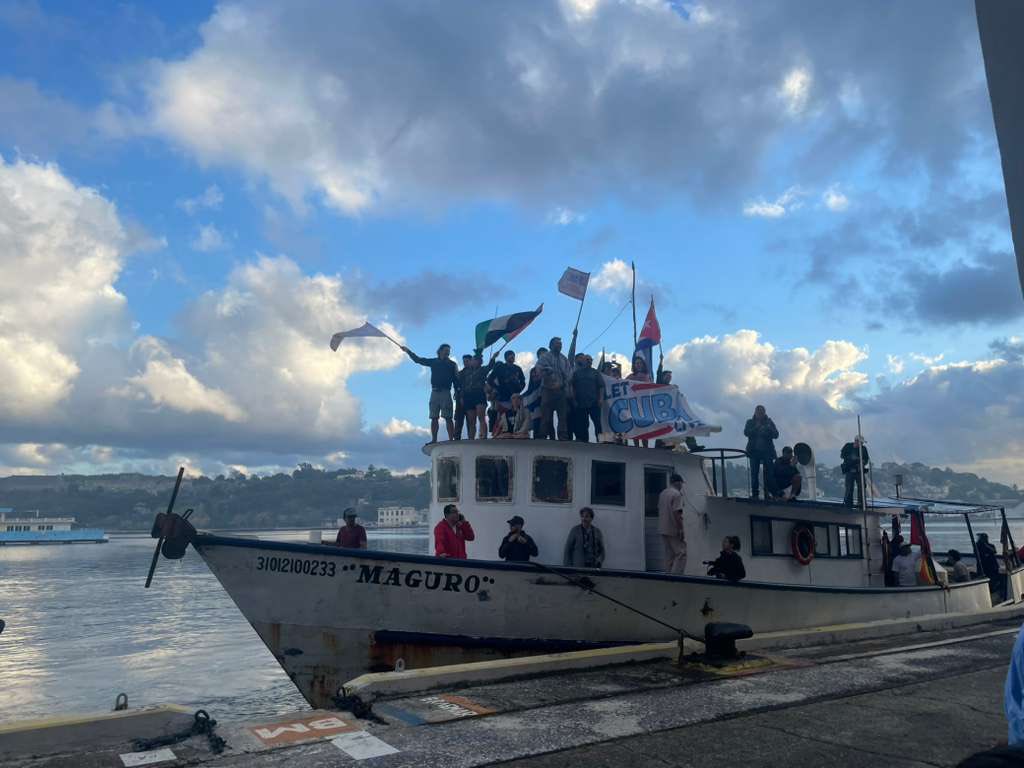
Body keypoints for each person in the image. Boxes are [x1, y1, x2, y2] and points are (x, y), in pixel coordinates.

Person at [401, 343, 460, 442]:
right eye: (446, 350)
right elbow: (418, 360)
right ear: (440, 351)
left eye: (448, 351)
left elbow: (456, 380)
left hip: (446, 392)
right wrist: (408, 351)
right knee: (434, 417)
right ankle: (434, 439)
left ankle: (451, 439)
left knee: (448, 417)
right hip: (434, 392)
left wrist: (457, 392)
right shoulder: (434, 362)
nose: (448, 352)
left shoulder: (452, 364)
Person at [537, 336, 573, 440]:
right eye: (557, 344)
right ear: (551, 345)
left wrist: (564, 383)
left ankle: (562, 437)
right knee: (546, 416)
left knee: (562, 416)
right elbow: (538, 368)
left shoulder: (564, 359)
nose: (559, 346)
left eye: (560, 344)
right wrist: (547, 373)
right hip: (547, 390)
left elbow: (570, 373)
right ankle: (543, 436)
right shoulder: (545, 357)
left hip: (560, 390)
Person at [744, 405, 779, 500]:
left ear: (764, 413)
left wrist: (768, 429)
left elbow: (776, 434)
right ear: (755, 412)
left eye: (762, 413)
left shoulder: (769, 422)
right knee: (754, 474)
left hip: (767, 452)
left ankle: (769, 494)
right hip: (754, 452)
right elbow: (746, 433)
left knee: (769, 474)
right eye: (759, 412)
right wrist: (756, 428)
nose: (760, 414)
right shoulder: (750, 422)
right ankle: (755, 494)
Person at [658, 473, 687, 574]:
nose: (682, 486)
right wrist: (681, 529)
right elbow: (677, 513)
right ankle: (676, 577)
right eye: (681, 483)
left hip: (663, 528)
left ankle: (667, 577)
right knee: (681, 553)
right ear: (678, 482)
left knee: (669, 555)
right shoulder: (676, 494)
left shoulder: (663, 493)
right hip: (673, 529)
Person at [569, 353, 602, 442]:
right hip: (580, 403)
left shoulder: (595, 372)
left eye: (590, 360)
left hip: (594, 402)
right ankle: (584, 442)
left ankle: (601, 440)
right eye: (587, 360)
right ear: (583, 361)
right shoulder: (576, 373)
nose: (589, 361)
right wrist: (573, 399)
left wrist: (600, 399)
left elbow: (601, 386)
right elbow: (571, 385)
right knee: (583, 424)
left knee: (598, 423)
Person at [840, 436, 870, 507]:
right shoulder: (848, 446)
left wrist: (862, 462)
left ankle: (861, 502)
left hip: (859, 470)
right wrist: (850, 458)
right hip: (849, 470)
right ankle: (848, 503)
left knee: (862, 486)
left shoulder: (863, 449)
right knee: (849, 487)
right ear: (856, 441)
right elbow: (842, 455)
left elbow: (866, 459)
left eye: (862, 443)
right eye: (860, 442)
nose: (861, 444)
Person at [453, 353, 473, 439]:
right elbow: (457, 386)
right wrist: (460, 396)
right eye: (464, 361)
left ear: (471, 361)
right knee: (458, 420)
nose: (465, 363)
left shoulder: (475, 373)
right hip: (460, 400)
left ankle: (471, 438)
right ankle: (456, 438)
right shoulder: (460, 374)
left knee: (471, 421)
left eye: (467, 361)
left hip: (471, 400)